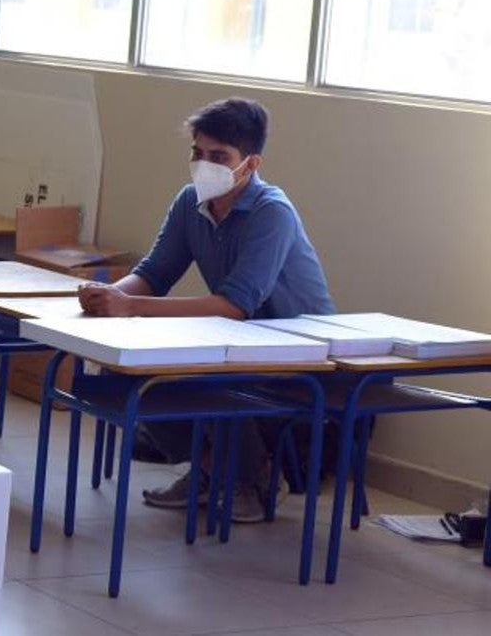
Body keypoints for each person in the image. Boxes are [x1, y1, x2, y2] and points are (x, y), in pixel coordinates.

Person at [77, 98, 334, 523]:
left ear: (250, 164)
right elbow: (155, 272)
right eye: (197, 153)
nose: (204, 164)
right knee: (127, 368)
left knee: (208, 378)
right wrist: (105, 295)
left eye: (219, 157)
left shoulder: (273, 213)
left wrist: (130, 306)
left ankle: (252, 479)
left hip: (296, 351)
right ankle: (216, 469)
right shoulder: (189, 202)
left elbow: (234, 305)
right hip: (235, 339)